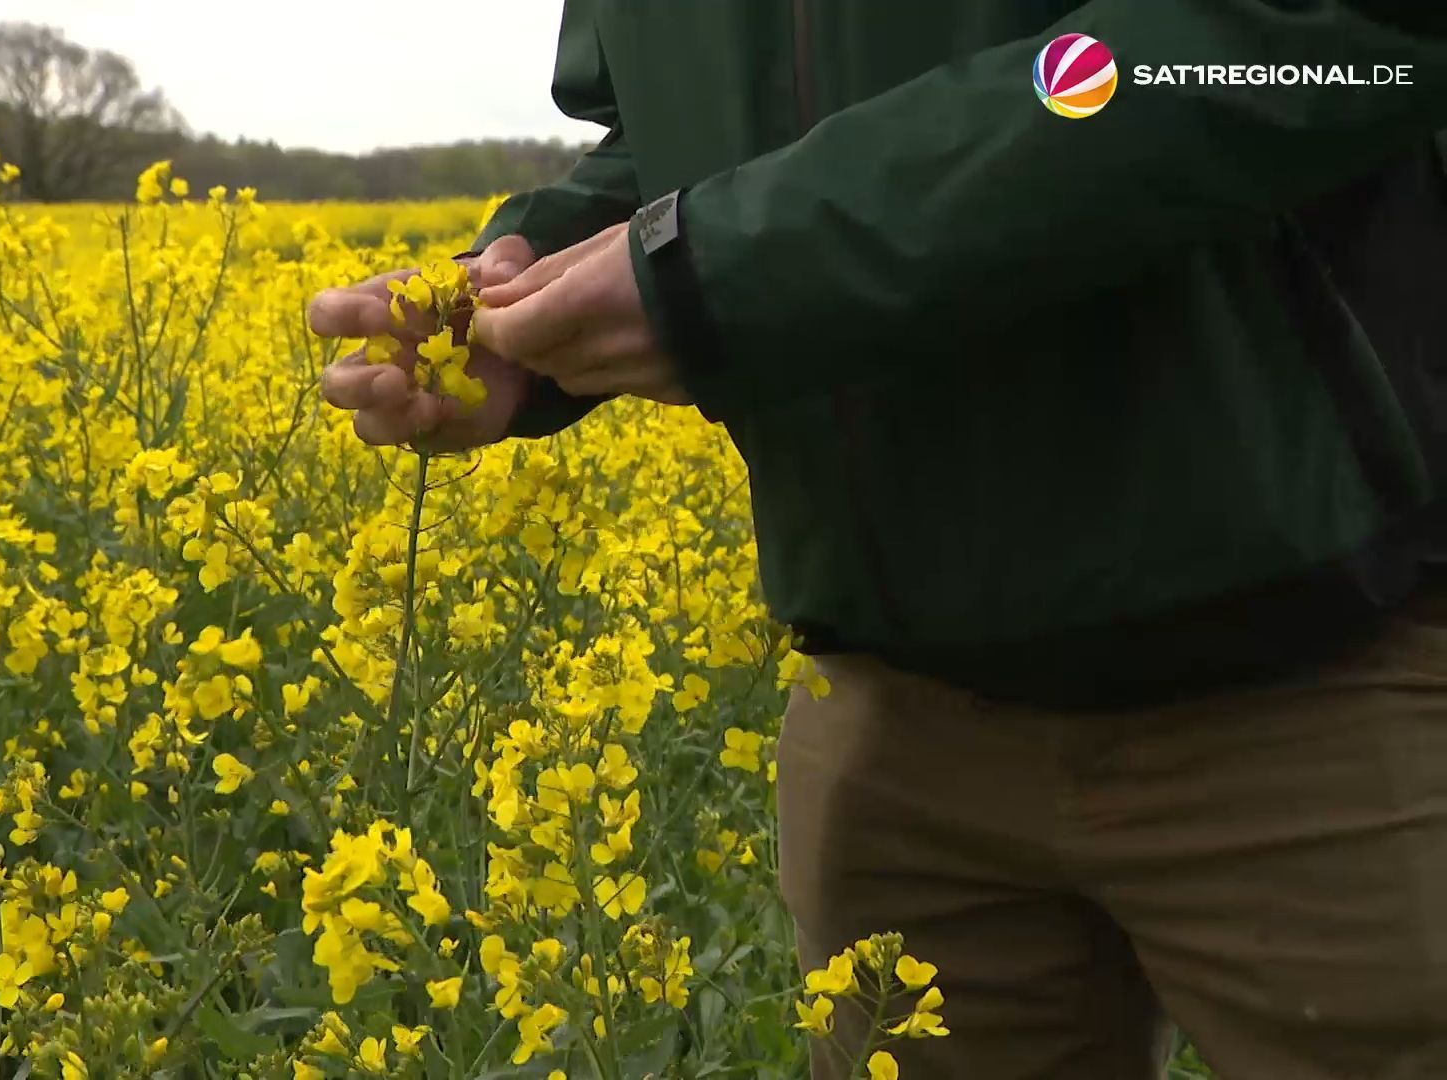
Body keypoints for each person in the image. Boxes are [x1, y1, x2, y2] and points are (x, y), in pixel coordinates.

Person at [309, 3, 1447, 1077]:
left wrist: (744, 265)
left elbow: (1327, 34)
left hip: (1313, 667)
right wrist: (535, 290)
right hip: (887, 725)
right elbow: (680, 137)